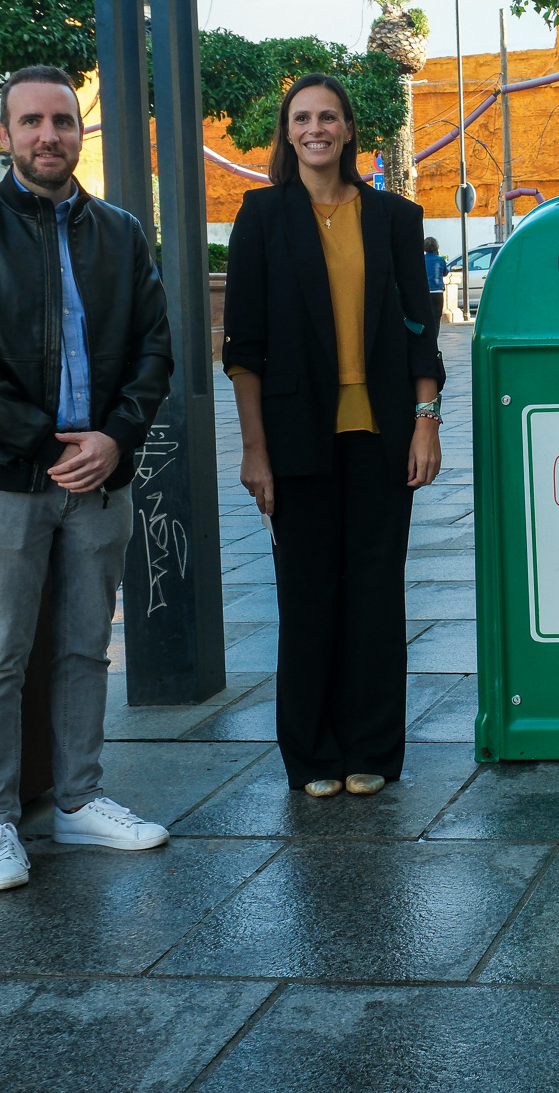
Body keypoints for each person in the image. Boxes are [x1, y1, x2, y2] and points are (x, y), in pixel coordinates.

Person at [0, 65, 176, 893]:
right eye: (29, 121)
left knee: (82, 646)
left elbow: (154, 349)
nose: (47, 135)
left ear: (79, 133)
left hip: (99, 476)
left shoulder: (122, 232)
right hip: (7, 478)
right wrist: (44, 442)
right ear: (5, 134)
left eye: (62, 121)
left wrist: (114, 437)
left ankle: (79, 797)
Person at [223, 73, 445, 800]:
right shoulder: (260, 216)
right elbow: (244, 346)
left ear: (349, 130)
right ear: (288, 134)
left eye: (329, 117)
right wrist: (254, 449)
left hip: (381, 435)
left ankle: (373, 749)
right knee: (308, 595)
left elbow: (421, 331)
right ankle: (313, 753)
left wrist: (426, 422)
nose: (316, 128)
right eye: (302, 118)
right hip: (294, 438)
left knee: (377, 595)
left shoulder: (394, 217)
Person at [423, 236, 448, 328]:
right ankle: (435, 337)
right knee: (436, 318)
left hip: (425, 292)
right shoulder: (440, 259)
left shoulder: (421, 259)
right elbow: (445, 273)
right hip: (437, 291)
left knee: (425, 317)